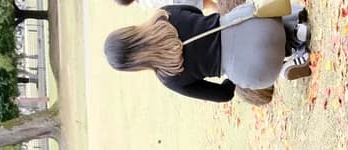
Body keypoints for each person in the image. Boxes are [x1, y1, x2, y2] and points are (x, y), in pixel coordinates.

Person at [103, 4, 309, 103]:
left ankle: (284, 65)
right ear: (129, 31)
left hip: (259, 73)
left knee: (248, 65)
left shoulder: (168, 78)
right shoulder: (164, 15)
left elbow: (223, 95)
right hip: (256, 24)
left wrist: (230, 73)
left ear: (134, 65)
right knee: (249, 21)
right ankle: (295, 32)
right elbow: (198, 14)